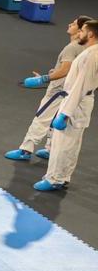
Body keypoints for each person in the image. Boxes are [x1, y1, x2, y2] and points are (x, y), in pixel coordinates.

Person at [7, 16, 91, 162]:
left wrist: (43, 79)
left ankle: (25, 150)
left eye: (74, 24)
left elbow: (65, 69)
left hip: (58, 91)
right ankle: (50, 149)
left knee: (42, 118)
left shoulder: (72, 47)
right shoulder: (88, 49)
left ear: (80, 31)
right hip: (73, 92)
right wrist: (54, 73)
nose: (70, 24)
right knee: (57, 121)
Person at [36, 19, 98, 191]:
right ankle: (63, 177)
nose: (79, 33)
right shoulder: (92, 52)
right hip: (81, 102)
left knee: (62, 144)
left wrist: (65, 113)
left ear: (90, 34)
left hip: (75, 103)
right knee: (72, 144)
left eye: (82, 31)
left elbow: (80, 86)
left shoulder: (90, 55)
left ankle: (54, 178)